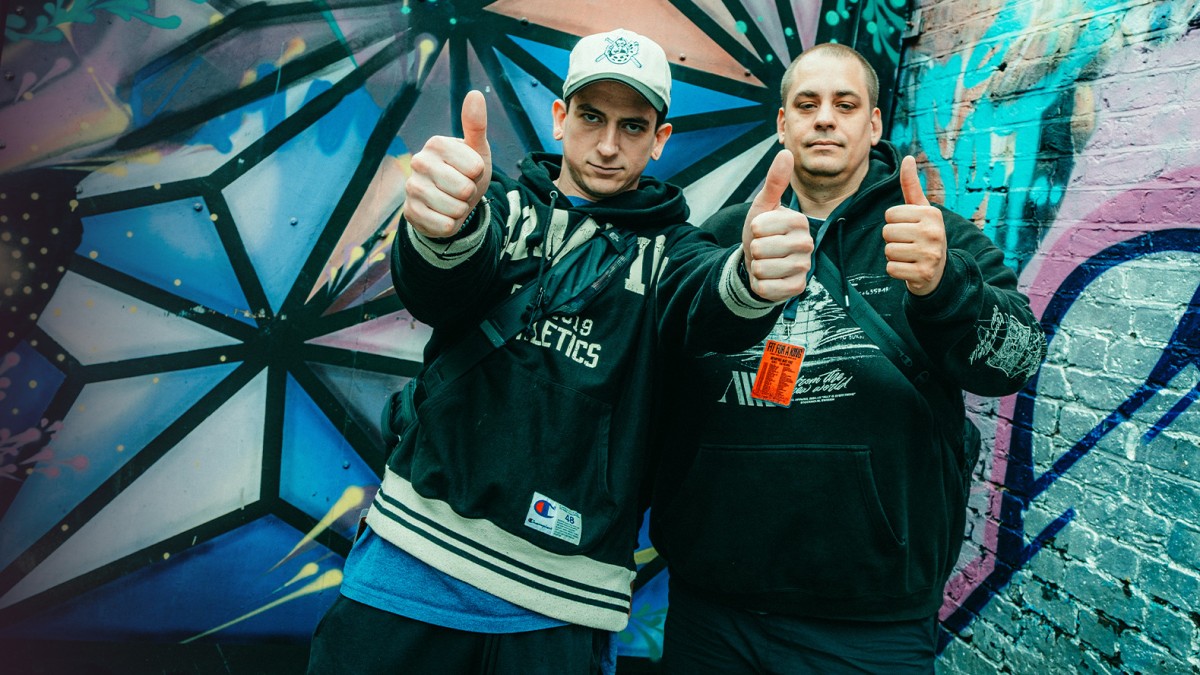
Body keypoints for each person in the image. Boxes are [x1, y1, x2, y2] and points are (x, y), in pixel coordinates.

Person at [307, 29, 813, 674]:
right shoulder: (495, 206)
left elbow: (709, 303)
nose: (608, 145)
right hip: (412, 562)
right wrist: (439, 222)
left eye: (633, 126)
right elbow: (437, 285)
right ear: (559, 117)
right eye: (591, 117)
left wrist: (752, 280)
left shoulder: (677, 254)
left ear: (660, 139)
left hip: (562, 602)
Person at [649, 43, 1048, 673]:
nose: (825, 119)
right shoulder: (727, 234)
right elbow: (666, 332)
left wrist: (945, 286)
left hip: (872, 625)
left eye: (845, 104)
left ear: (874, 123)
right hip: (713, 610)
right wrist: (741, 278)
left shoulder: (934, 237)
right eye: (807, 104)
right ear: (783, 123)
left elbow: (1017, 362)